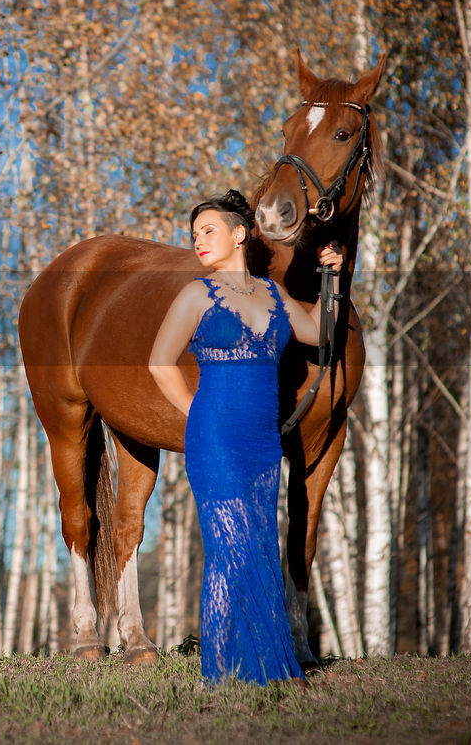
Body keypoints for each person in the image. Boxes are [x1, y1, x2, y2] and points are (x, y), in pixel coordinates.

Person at [147, 189, 342, 685]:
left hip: (261, 444)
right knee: (229, 545)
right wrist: (197, 414)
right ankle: (221, 671)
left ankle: (265, 663)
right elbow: (159, 363)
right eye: (193, 236)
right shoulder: (196, 294)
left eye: (208, 231)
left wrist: (331, 275)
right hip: (213, 436)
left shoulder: (273, 295)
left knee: (257, 544)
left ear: (239, 234)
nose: (198, 242)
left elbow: (319, 334)